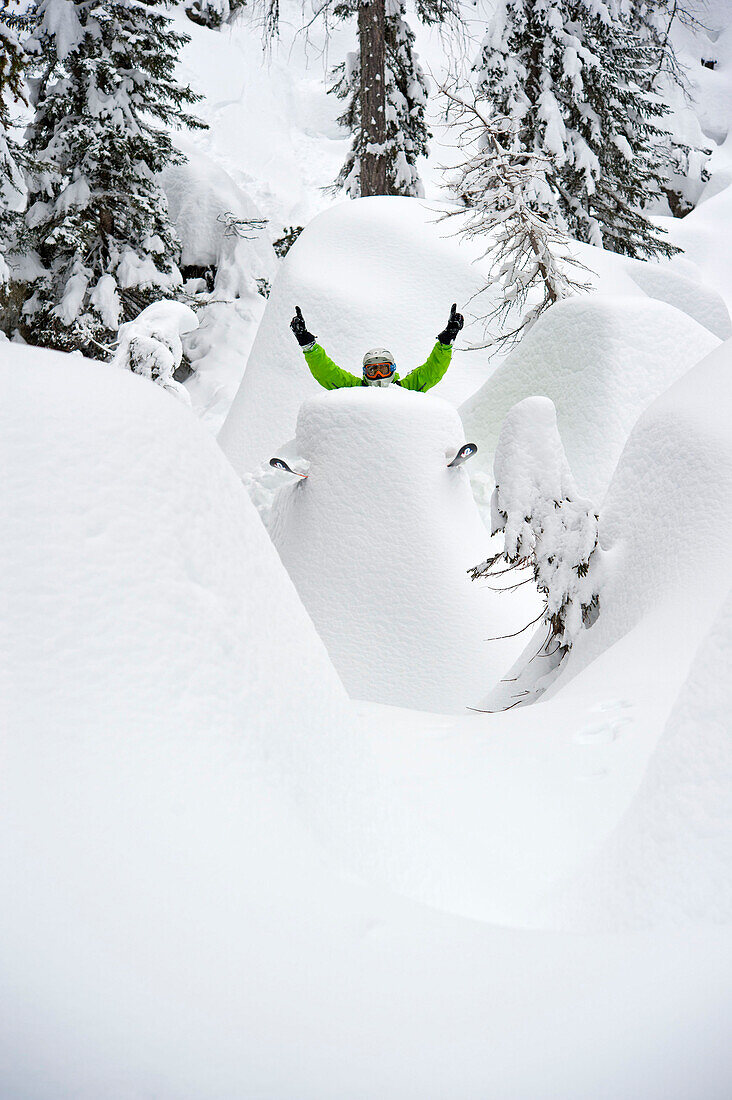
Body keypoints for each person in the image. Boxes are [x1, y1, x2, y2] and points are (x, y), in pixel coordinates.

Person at [289, 304, 464, 390]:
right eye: (373, 370)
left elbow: (432, 371)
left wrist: (446, 342)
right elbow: (327, 372)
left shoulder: (406, 389)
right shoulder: (354, 390)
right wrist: (307, 344)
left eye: (382, 369)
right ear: (365, 372)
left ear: (393, 369)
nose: (378, 374)